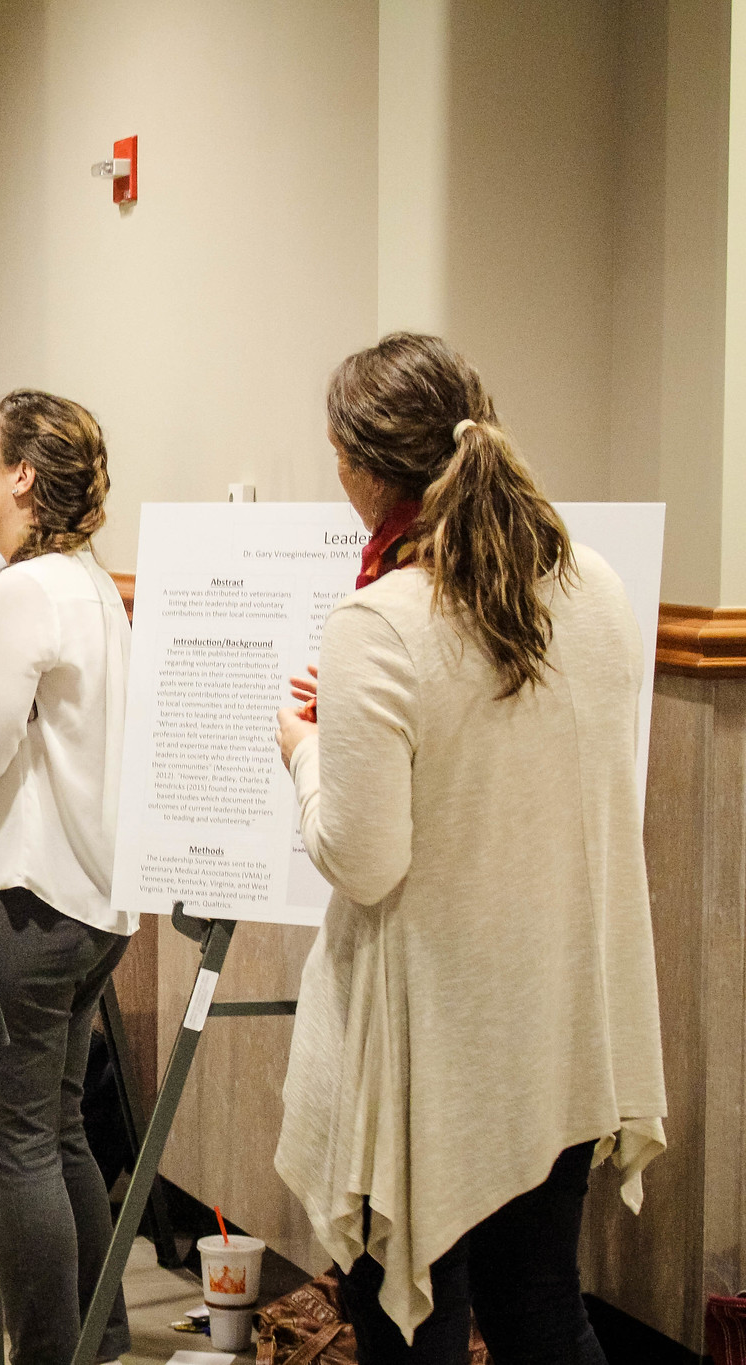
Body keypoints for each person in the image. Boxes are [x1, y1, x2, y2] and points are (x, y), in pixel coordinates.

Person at [271, 332, 666, 1364]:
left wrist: (305, 752)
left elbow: (362, 861)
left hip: (430, 1043)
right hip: (554, 1023)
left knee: (411, 1325)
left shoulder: (380, 620)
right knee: (538, 1303)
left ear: (360, 467)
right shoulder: (595, 590)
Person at [0, 390, 132, 1365]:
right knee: (56, 1133)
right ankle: (96, 1339)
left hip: (24, 907)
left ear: (22, 474)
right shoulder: (88, 584)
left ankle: (49, 1358)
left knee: (11, 1147)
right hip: (91, 906)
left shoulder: (22, 593)